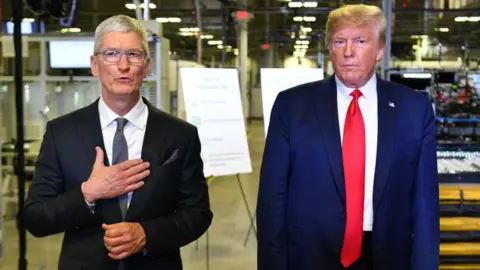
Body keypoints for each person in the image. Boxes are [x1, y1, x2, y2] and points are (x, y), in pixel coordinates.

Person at [257, 4, 439, 270]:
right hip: (309, 257)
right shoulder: (291, 106)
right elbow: (272, 199)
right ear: (330, 49)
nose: (349, 52)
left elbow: (425, 206)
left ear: (379, 50)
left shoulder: (414, 109)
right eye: (339, 41)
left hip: (386, 257)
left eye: (360, 41)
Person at [24, 15, 213, 270]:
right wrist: (89, 193)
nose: (123, 65)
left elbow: (198, 213)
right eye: (111, 53)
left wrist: (147, 234)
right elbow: (35, 217)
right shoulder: (62, 133)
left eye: (133, 55)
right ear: (94, 64)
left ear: (146, 67)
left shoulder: (180, 135)